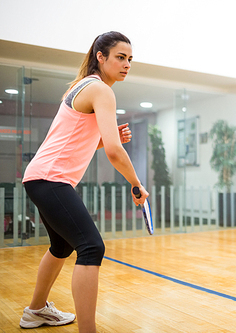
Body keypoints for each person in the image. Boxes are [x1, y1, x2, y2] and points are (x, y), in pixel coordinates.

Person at [20, 31, 149, 332]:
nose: (127, 64)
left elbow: (76, 142)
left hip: (41, 177)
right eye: (120, 57)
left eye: (130, 59)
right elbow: (116, 152)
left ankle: (35, 310)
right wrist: (136, 183)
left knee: (62, 247)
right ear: (100, 57)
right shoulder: (101, 89)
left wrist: (107, 140)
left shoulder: (83, 86)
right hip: (51, 179)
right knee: (91, 247)